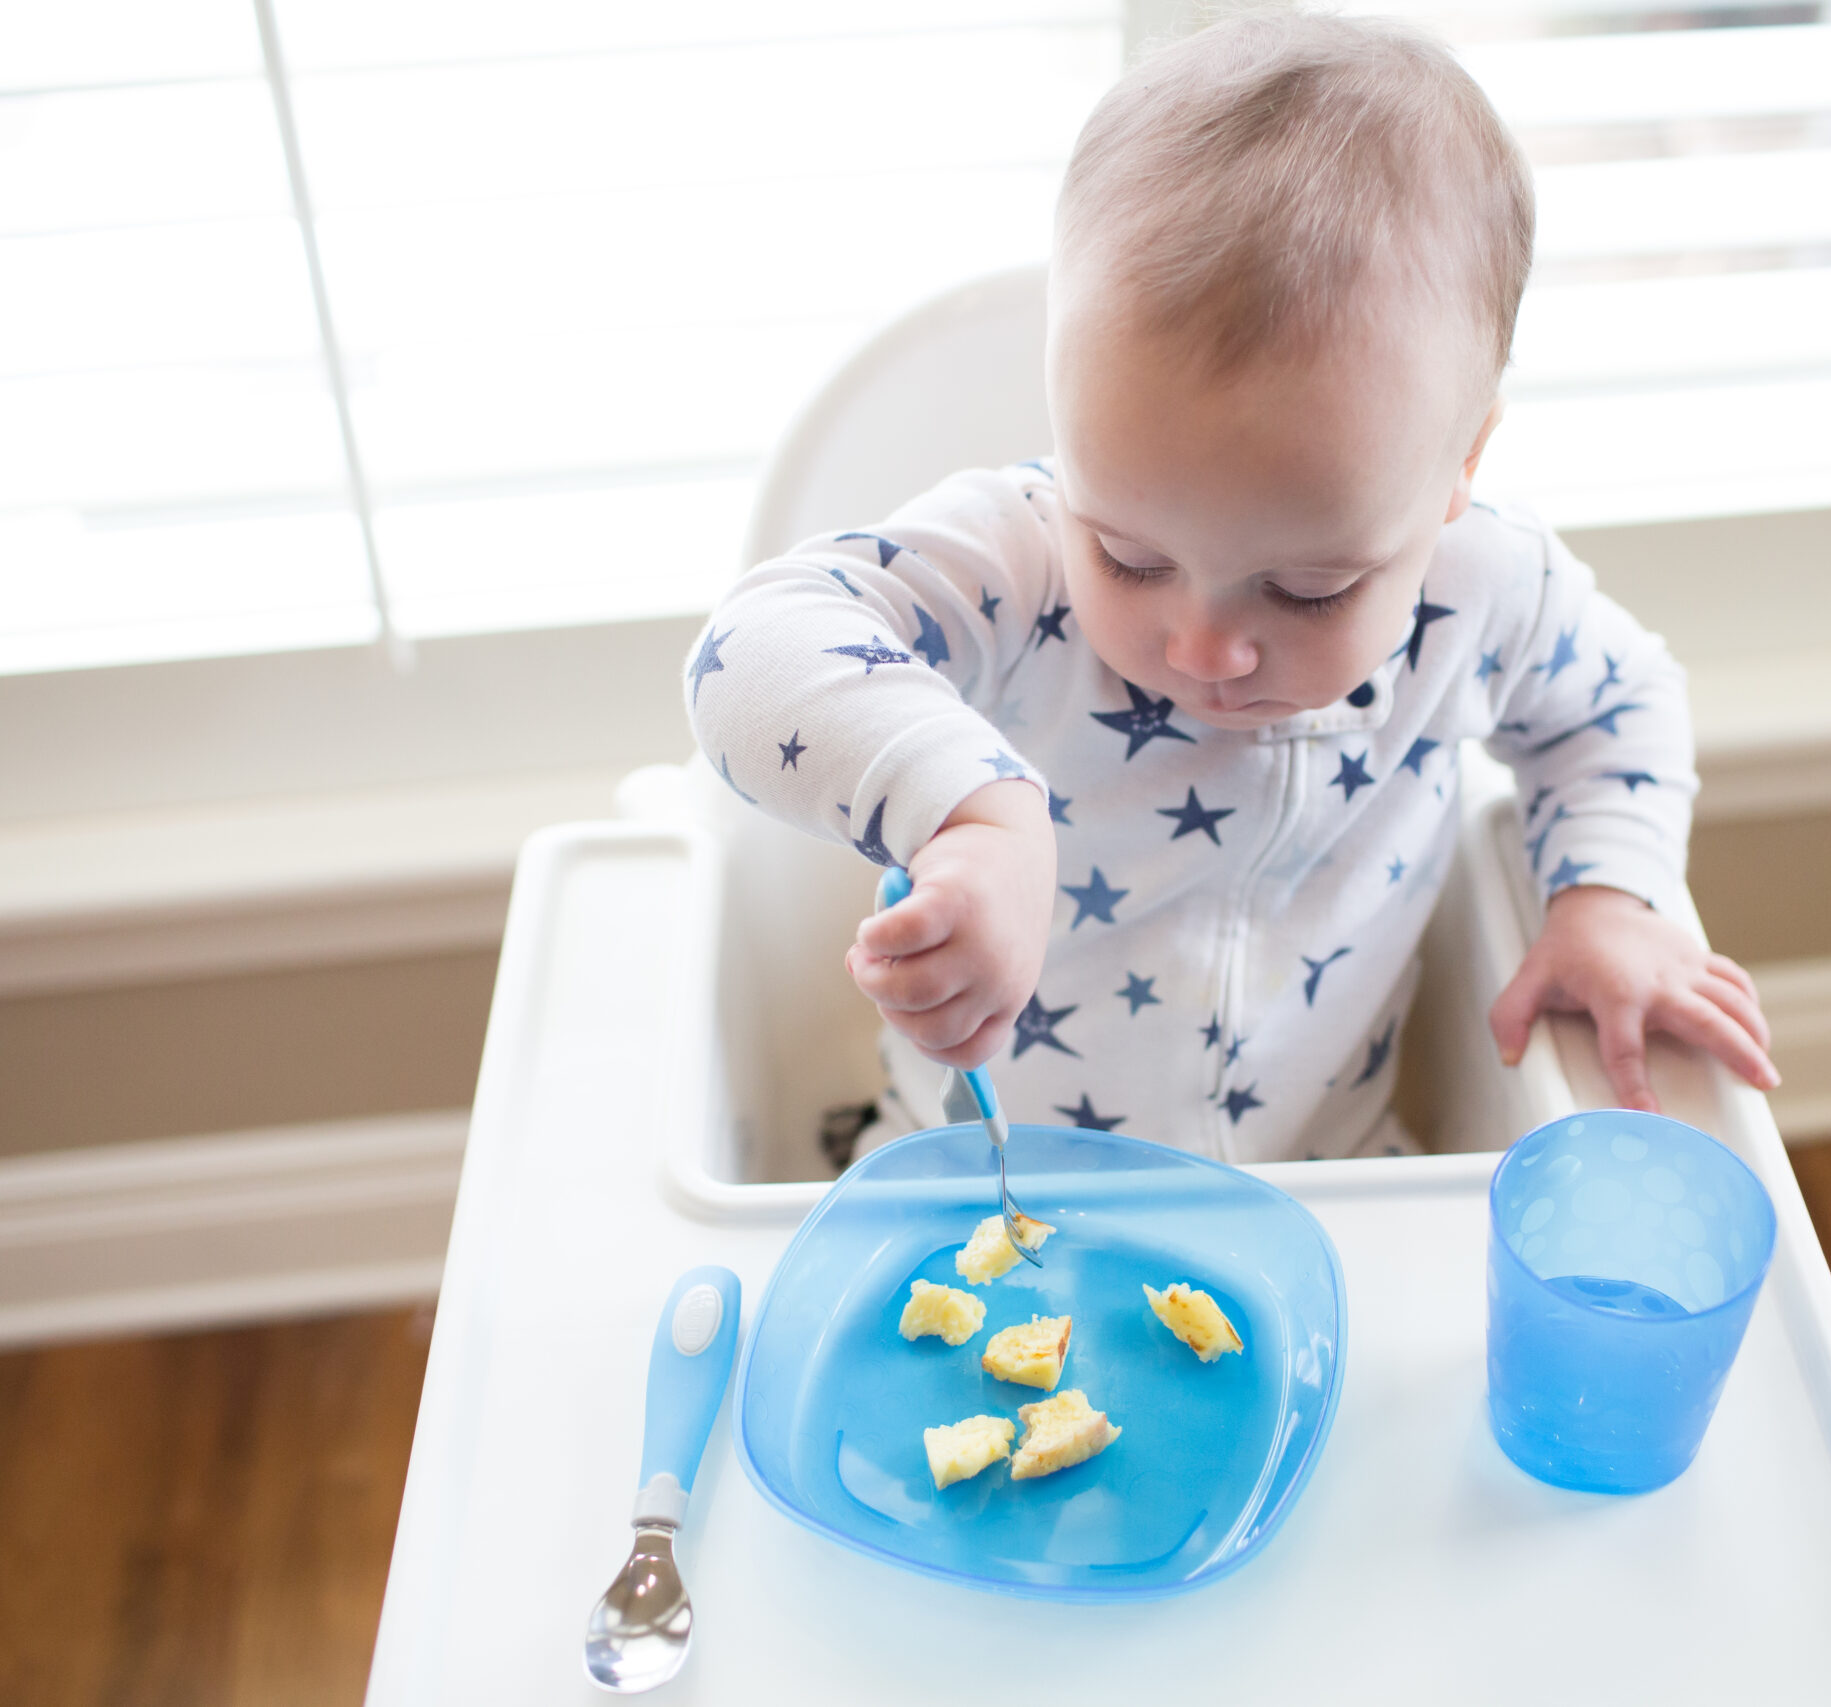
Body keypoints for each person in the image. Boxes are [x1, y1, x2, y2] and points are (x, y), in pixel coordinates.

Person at [685, 11, 1776, 1163]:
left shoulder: (1486, 592)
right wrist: (969, 810)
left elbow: (1617, 706)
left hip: (1331, 1180)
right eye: (1133, 559)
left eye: (1307, 591)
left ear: (1460, 465)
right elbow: (747, 651)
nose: (1204, 648)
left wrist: (1607, 894)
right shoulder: (1020, 558)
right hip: (981, 1178)